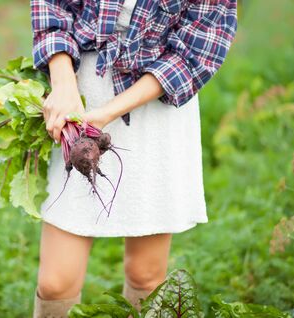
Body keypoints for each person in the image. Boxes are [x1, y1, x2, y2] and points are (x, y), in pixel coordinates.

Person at [30, 0, 238, 316]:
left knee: (145, 274)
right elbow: (53, 8)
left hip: (153, 105)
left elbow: (195, 53)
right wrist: (63, 84)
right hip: (80, 95)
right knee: (55, 283)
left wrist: (108, 113)